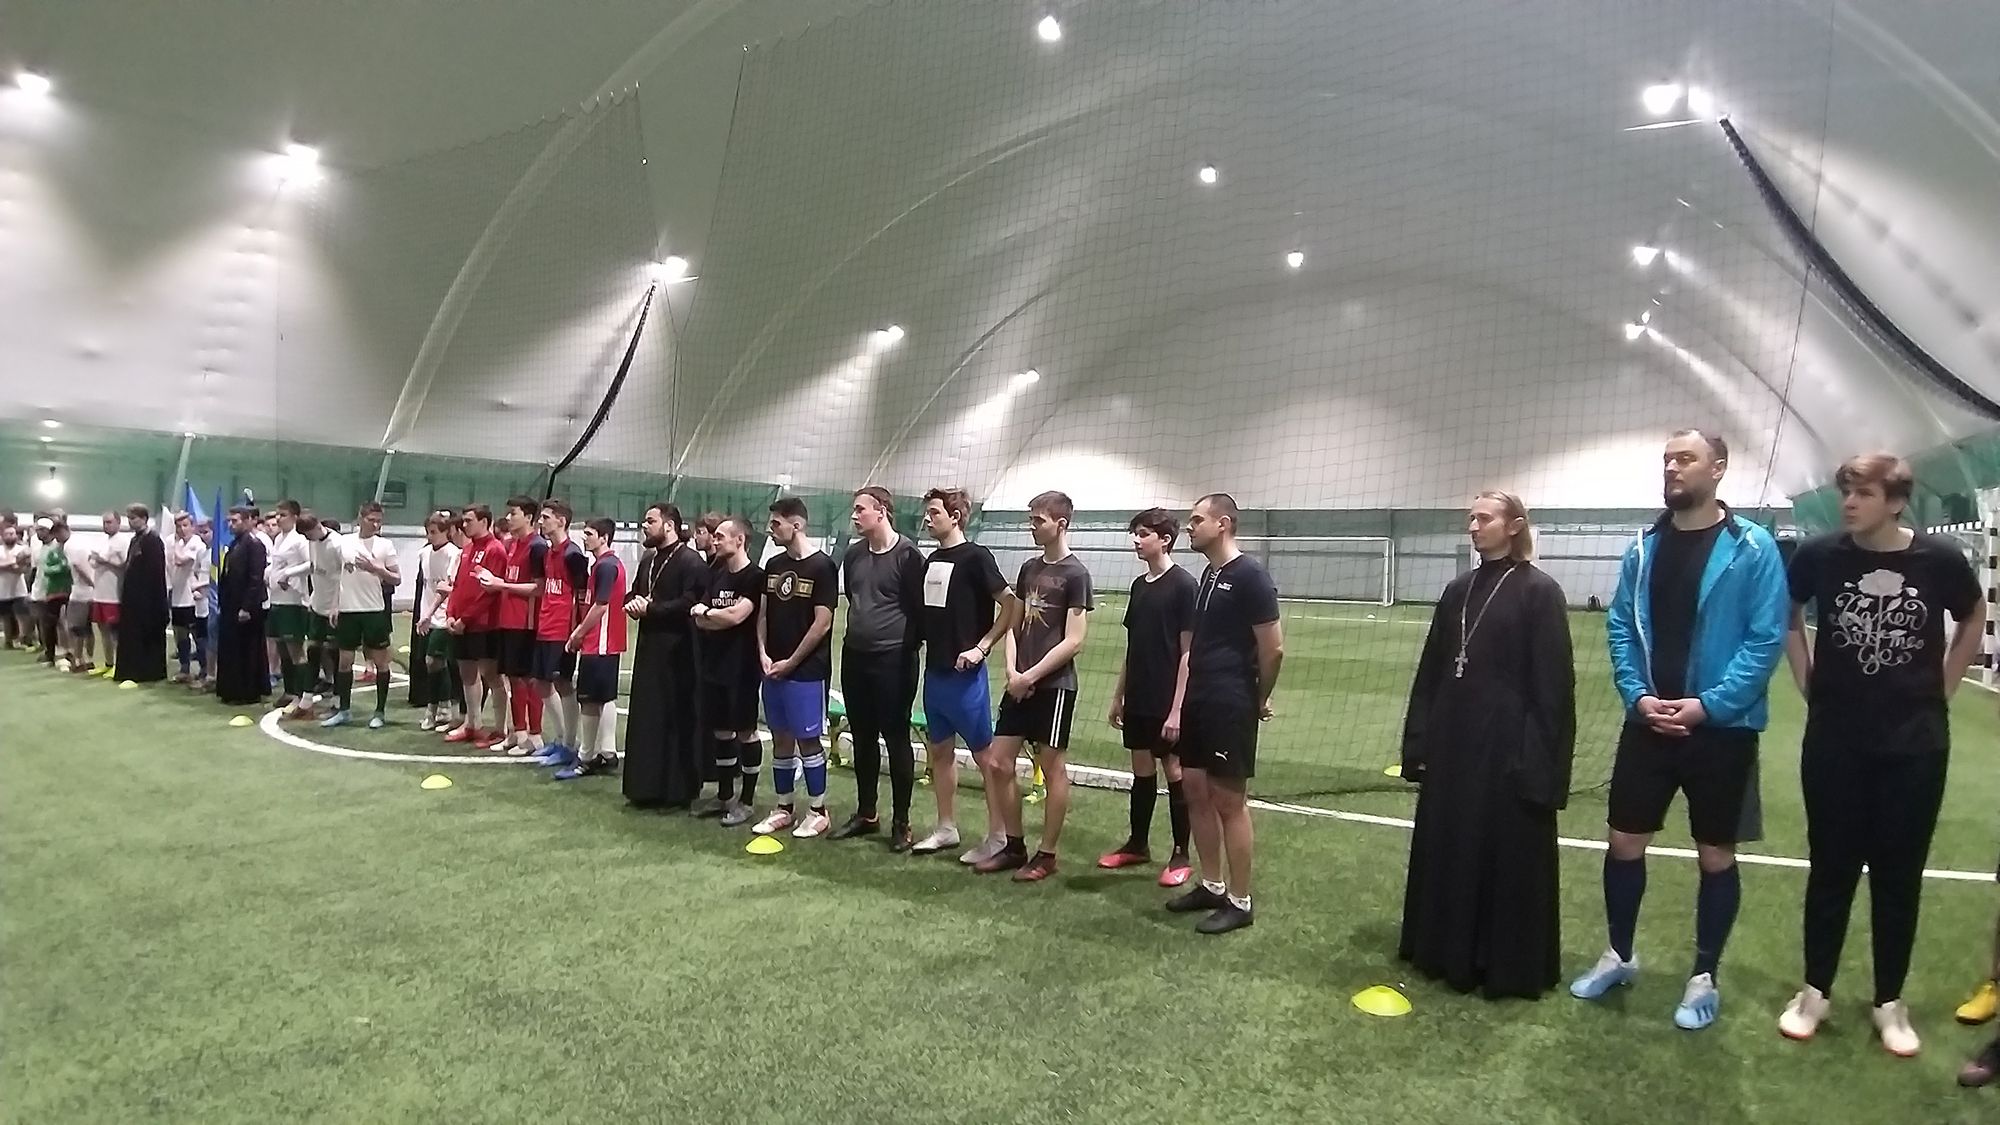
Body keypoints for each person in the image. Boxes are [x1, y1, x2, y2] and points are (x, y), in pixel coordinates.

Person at [1570, 430, 1788, 1030]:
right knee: (1623, 842)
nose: (1672, 468)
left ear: (1717, 469)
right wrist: (1637, 696)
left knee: (1715, 854)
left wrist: (1708, 705)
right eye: (1667, 459)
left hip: (1722, 730)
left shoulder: (1753, 547)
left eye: (1685, 459)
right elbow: (1620, 625)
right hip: (1647, 723)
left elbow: (1765, 638)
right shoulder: (1644, 547)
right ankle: (1619, 954)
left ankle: (1703, 977)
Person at [1774, 454, 1984, 1055]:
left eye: (1862, 493)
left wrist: (1944, 685)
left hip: (1915, 747)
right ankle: (1814, 992)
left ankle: (1890, 1002)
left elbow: (1973, 614)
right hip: (1835, 742)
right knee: (1831, 869)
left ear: (1896, 502)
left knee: (1898, 876)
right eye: (1846, 491)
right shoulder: (1819, 555)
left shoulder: (1939, 560)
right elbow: (1788, 613)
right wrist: (1807, 678)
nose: (1848, 503)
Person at [1399, 492, 1575, 998]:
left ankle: (1501, 962)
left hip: (1507, 751)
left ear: (1514, 526)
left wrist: (1539, 764)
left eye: (1483, 518)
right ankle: (1443, 950)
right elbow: (1432, 673)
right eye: (1471, 518)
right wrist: (1419, 742)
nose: (1473, 526)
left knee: (1504, 853)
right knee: (1451, 843)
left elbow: (1553, 689)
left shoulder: (1540, 592)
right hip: (1453, 745)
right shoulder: (1458, 590)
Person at [1165, 493, 1284, 935]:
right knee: (1195, 790)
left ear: (1224, 524)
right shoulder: (1209, 574)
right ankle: (1212, 885)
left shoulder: (1251, 576)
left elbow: (1273, 648)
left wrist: (1258, 696)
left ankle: (1240, 900)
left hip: (1230, 701)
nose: (1189, 526)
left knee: (1229, 801)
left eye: (1197, 519)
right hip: (1200, 697)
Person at [971, 491, 1093, 880]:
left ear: (1061, 524)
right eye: (1031, 520)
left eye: (1038, 520)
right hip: (1019, 683)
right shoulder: (1028, 568)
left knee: (1052, 767)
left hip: (1054, 686)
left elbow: (1074, 640)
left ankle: (1047, 854)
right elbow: (1014, 624)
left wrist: (1031, 675)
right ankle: (1014, 845)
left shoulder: (1077, 574)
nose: (1032, 527)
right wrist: (1012, 671)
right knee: (997, 762)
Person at [910, 487, 1023, 858]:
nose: (927, 519)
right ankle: (946, 828)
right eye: (927, 513)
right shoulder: (930, 560)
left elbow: (1011, 604)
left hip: (966, 680)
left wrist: (982, 646)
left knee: (986, 758)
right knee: (939, 752)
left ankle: (998, 836)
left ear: (955, 517)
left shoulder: (977, 557)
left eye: (934, 513)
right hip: (935, 674)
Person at [1100, 507, 1198, 885]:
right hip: (1138, 697)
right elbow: (1133, 645)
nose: (1136, 540)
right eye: (1135, 533)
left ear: (1165, 540)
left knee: (1175, 771)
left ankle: (1181, 854)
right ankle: (1137, 845)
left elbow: (1188, 653)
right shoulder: (1139, 586)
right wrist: (1118, 695)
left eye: (1143, 534)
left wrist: (1177, 710)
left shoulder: (1184, 586)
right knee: (1141, 769)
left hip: (1167, 698)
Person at [830, 487, 927, 850]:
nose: (854, 516)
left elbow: (920, 611)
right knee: (862, 736)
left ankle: (902, 822)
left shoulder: (909, 556)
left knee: (896, 737)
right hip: (855, 656)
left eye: (860, 510)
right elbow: (856, 600)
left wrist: (904, 646)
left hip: (894, 660)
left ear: (882, 512)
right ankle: (866, 813)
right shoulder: (854, 555)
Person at [752, 498, 840, 838]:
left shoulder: (822, 566)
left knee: (808, 740)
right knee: (780, 738)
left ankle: (818, 810)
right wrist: (763, 653)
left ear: (797, 525)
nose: (770, 530)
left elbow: (822, 623)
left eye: (776, 524)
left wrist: (791, 662)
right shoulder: (773, 565)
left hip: (806, 671)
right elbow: (763, 614)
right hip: (772, 668)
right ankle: (784, 807)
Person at [619, 502, 709, 808]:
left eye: (650, 521)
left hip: (679, 652)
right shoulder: (649, 559)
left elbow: (690, 602)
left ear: (669, 525)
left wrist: (651, 609)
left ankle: (677, 790)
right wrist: (632, 604)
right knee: (648, 718)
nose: (644, 526)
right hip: (649, 649)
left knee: (675, 718)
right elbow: (635, 591)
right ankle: (645, 788)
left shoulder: (691, 561)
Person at [689, 517, 765, 823]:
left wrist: (710, 613)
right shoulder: (716, 573)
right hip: (715, 663)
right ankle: (724, 796)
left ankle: (746, 800)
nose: (715, 541)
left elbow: (736, 616)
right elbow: (699, 619)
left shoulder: (754, 576)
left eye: (721, 536)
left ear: (740, 540)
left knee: (745, 731)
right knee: (721, 730)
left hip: (742, 666)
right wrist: (713, 616)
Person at [554, 518, 627, 780]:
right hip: (605, 643)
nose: (585, 538)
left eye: (589, 533)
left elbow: (601, 605)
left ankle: (585, 757)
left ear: (604, 537)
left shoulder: (606, 565)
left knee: (589, 700)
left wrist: (578, 633)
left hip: (600, 643)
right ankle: (607, 752)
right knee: (602, 697)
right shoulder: (604, 564)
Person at [321, 503, 401, 729]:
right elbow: (337, 575)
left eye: (379, 521)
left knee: (381, 662)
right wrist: (335, 605)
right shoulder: (344, 542)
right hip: (348, 610)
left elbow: (397, 579)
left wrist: (377, 569)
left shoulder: (385, 545)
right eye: (371, 520)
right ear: (360, 518)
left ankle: (380, 712)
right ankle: (344, 710)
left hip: (374, 610)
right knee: (345, 661)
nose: (375, 525)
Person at [480, 496, 543, 754]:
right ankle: (517, 732)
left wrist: (502, 585)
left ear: (528, 517)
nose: (508, 517)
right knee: (511, 679)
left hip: (526, 622)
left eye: (513, 513)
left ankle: (533, 735)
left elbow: (538, 588)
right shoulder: (512, 544)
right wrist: (493, 582)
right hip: (508, 620)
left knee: (527, 680)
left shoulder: (537, 546)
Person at [527, 500, 588, 764]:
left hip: (563, 628)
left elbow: (583, 594)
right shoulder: (548, 553)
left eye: (546, 517)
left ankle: (569, 744)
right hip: (546, 625)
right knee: (539, 682)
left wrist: (578, 630)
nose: (541, 522)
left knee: (562, 682)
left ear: (561, 521)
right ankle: (561, 737)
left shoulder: (573, 554)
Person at [445, 504, 509, 748]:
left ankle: (501, 729)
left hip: (485, 624)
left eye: (469, 520)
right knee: (467, 673)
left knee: (492, 675)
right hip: (461, 623)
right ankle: (473, 724)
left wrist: (465, 619)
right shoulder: (467, 549)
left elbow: (489, 593)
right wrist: (451, 614)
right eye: (463, 520)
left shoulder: (495, 550)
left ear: (484, 521)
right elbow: (458, 586)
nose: (464, 525)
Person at [413, 513, 464, 731]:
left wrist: (430, 612)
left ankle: (435, 709)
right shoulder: (424, 553)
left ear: (446, 532)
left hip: (444, 616)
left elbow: (445, 588)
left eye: (434, 532)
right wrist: (424, 614)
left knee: (434, 660)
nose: (430, 536)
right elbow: (427, 586)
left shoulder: (454, 554)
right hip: (428, 616)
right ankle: (441, 706)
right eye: (428, 532)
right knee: (432, 663)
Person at [215, 506, 271, 706]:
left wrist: (247, 607)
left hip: (246, 607)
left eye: (235, 521)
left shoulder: (254, 545)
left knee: (247, 650)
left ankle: (248, 692)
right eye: (229, 521)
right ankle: (231, 689)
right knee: (232, 649)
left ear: (248, 521)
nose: (231, 525)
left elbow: (255, 578)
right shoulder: (235, 544)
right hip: (231, 604)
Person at [110, 503, 168, 682]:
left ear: (144, 519)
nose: (130, 521)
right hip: (132, 598)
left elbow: (155, 573)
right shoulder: (135, 540)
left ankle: (146, 673)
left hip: (147, 599)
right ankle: (129, 671)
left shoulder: (153, 540)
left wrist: (150, 600)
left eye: (133, 518)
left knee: (145, 636)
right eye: (129, 518)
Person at [263, 500, 313, 706]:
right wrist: (268, 574)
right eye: (277, 514)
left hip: (294, 602)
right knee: (282, 649)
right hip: (276, 600)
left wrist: (288, 574)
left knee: (296, 651)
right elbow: (276, 565)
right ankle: (290, 691)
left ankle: (302, 695)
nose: (278, 518)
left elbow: (311, 564)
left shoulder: (300, 540)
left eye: (283, 515)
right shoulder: (278, 539)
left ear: (294, 517)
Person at [293, 513, 342, 717]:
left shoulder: (337, 544)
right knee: (313, 651)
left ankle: (339, 701)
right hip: (317, 605)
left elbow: (344, 577)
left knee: (335, 654)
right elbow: (315, 568)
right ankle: (306, 703)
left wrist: (336, 605)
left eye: (308, 534)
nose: (307, 538)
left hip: (334, 608)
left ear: (316, 527)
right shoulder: (312, 543)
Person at [83, 510, 131, 677]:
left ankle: (120, 665)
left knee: (115, 631)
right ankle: (108, 663)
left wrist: (105, 560)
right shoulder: (101, 540)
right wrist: (95, 559)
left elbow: (125, 564)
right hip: (99, 592)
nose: (106, 525)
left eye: (109, 522)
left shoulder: (123, 541)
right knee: (102, 629)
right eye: (104, 522)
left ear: (118, 522)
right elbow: (92, 560)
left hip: (114, 593)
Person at [167, 512, 207, 685]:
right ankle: (184, 669)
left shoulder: (196, 544)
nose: (182, 529)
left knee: (197, 635)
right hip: (177, 594)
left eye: (185, 525)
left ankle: (205, 669)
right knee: (179, 632)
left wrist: (175, 544)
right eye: (178, 526)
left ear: (192, 527)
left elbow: (181, 561)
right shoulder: (174, 543)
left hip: (192, 597)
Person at [34, 517, 71, 667]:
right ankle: (49, 652)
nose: (39, 533)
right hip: (45, 589)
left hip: (62, 590)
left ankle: (66, 652)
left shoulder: (59, 547)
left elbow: (66, 567)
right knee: (47, 623)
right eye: (37, 530)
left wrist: (55, 570)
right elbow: (40, 570)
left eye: (42, 530)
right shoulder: (40, 548)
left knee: (62, 622)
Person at [63, 515, 97, 674]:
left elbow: (78, 566)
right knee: (89, 630)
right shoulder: (84, 542)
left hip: (80, 594)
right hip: (92, 594)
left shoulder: (69, 545)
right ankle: (90, 659)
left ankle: (78, 660)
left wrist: (91, 582)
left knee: (77, 629)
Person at [0, 520, 31, 650]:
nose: (10, 536)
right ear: (2, 536)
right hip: (2, 589)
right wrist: (13, 564)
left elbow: (23, 569)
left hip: (19, 589)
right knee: (6, 616)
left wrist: (8, 566)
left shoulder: (22, 549)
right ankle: (8, 641)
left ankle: (23, 639)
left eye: (12, 534)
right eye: (7, 534)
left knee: (22, 615)